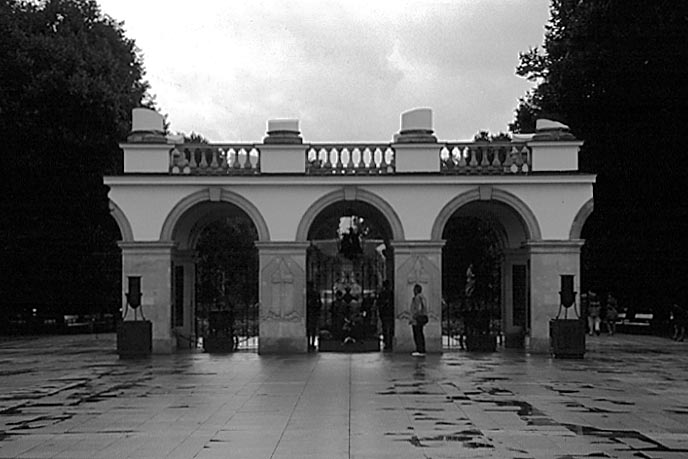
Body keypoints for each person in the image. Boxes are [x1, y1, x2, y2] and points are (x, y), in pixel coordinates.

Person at [409, 283, 428, 356]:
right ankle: (422, 349)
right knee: (420, 333)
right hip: (422, 317)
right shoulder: (423, 297)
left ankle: (419, 349)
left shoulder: (417, 298)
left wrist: (414, 316)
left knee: (417, 333)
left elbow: (418, 308)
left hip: (417, 318)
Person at [376, 280, 394, 351]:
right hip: (387, 313)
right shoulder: (388, 293)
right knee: (387, 329)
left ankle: (387, 342)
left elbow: (379, 303)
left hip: (385, 313)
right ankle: (388, 342)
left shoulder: (384, 294)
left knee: (386, 329)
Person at [306, 282, 321, 350]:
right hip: (312, 312)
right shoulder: (313, 293)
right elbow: (319, 303)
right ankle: (310, 343)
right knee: (311, 329)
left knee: (310, 329)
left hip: (310, 312)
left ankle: (311, 343)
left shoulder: (309, 294)